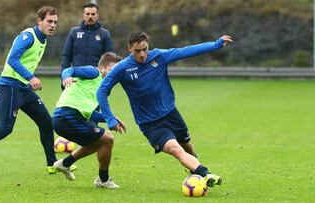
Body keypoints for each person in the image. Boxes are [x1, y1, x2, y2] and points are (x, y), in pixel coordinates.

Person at [97, 31, 233, 187]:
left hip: (171, 113)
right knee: (175, 148)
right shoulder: (122, 68)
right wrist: (109, 118)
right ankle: (205, 173)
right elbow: (101, 91)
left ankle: (197, 174)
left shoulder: (159, 56)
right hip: (150, 123)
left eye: (144, 49)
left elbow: (187, 50)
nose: (142, 54)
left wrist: (215, 44)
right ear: (129, 49)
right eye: (137, 51)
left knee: (187, 146)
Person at [0, 6, 70, 176]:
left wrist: (9, 80)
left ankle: (52, 164)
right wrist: (29, 78)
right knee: (5, 127)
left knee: (46, 122)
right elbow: (12, 59)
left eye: (55, 22)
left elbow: (14, 62)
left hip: (22, 88)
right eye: (49, 21)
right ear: (39, 21)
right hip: (12, 87)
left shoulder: (44, 38)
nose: (53, 25)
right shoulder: (28, 36)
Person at [52, 52, 126, 189]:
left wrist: (110, 118)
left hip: (68, 119)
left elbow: (90, 114)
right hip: (66, 117)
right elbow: (70, 70)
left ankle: (65, 164)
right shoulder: (94, 72)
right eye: (112, 70)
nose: (114, 74)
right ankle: (103, 180)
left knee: (100, 142)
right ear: (102, 68)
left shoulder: (101, 87)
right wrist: (66, 76)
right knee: (107, 139)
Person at [60, 2, 113, 90]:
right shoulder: (74, 33)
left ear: (97, 16)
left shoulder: (104, 34)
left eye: (93, 14)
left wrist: (108, 80)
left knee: (96, 103)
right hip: (76, 79)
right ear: (83, 15)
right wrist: (64, 77)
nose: (90, 16)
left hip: (96, 80)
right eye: (87, 14)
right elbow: (66, 56)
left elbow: (109, 59)